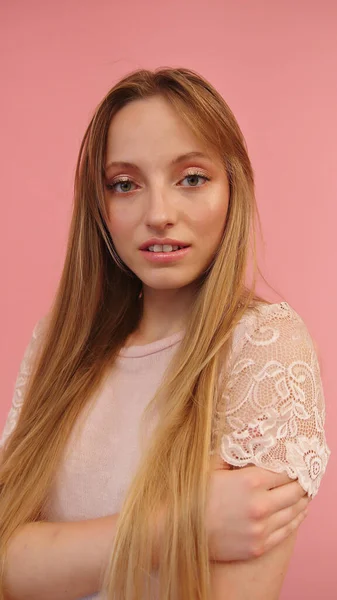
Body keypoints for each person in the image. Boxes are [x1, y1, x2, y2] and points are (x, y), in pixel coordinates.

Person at [0, 67, 330, 600]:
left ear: (233, 187)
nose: (158, 214)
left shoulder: (265, 347)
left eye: (191, 178)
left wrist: (50, 554)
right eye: (125, 184)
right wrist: (175, 526)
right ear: (100, 206)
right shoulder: (58, 343)